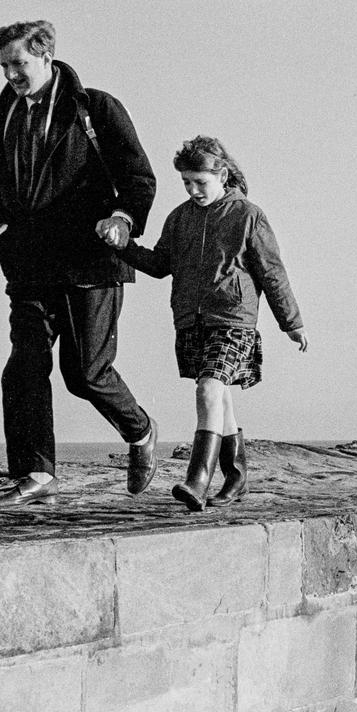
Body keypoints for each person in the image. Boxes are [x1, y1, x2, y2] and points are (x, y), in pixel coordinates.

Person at [0, 20, 159, 508]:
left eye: (18, 63)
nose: (11, 74)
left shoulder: (94, 107)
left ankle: (140, 432)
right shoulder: (4, 114)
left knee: (85, 373)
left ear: (46, 56)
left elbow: (139, 178)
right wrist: (2, 234)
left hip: (91, 262)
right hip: (31, 264)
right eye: (4, 65)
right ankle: (35, 473)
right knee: (23, 366)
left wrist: (123, 219)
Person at [114, 136, 307, 511]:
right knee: (218, 397)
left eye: (200, 182)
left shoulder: (248, 215)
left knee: (208, 388)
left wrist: (291, 322)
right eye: (186, 182)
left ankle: (197, 480)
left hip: (234, 320)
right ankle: (236, 477)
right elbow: (159, 265)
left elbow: (273, 273)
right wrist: (124, 249)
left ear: (222, 173)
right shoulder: (179, 217)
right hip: (191, 320)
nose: (192, 190)